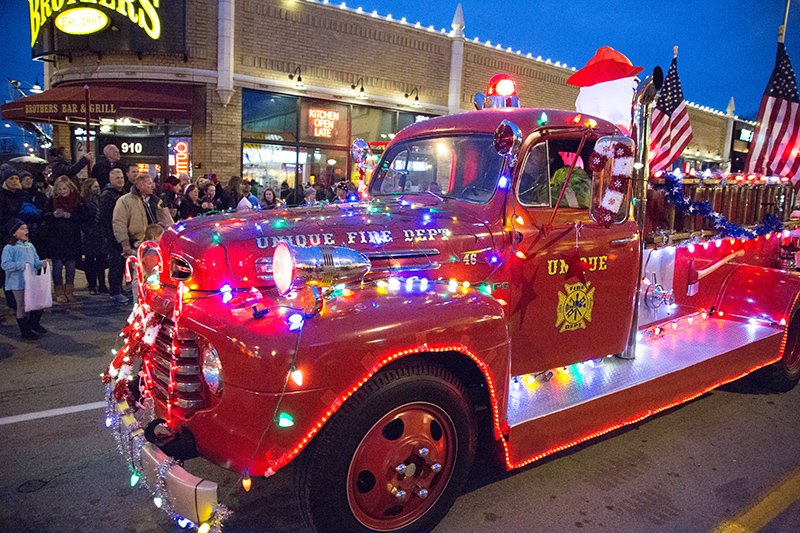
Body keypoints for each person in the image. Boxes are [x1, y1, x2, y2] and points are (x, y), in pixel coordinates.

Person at [2, 219, 47, 340]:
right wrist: (21, 265)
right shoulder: (9, 248)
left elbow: (34, 261)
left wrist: (40, 263)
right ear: (14, 233)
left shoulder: (30, 246)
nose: (26, 231)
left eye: (26, 228)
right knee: (21, 306)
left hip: (30, 281)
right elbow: (5, 265)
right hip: (17, 283)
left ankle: (34, 324)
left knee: (37, 304)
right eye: (21, 229)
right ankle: (25, 331)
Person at [112, 172, 174, 261]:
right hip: (136, 245)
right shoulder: (125, 201)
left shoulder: (156, 201)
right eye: (149, 183)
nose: (153, 186)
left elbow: (167, 220)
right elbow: (119, 223)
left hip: (155, 244)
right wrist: (125, 243)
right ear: (140, 186)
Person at [44, 176, 83, 303]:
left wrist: (70, 215)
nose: (63, 191)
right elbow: (44, 215)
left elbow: (84, 216)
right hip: (56, 238)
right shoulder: (52, 200)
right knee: (57, 265)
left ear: (70, 187)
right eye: (60, 188)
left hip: (72, 237)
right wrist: (54, 215)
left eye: (65, 188)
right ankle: (59, 292)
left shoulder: (78, 200)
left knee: (71, 265)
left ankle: (69, 291)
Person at [99, 168, 128, 304]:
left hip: (121, 234)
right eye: (117, 178)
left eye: (121, 178)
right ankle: (115, 291)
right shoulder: (107, 196)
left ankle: (119, 288)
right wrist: (113, 234)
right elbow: (106, 218)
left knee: (121, 263)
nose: (120, 180)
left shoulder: (123, 193)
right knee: (115, 263)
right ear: (111, 180)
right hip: (113, 236)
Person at [1, 165, 26, 313]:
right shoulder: (2, 196)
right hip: (6, 235)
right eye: (11, 178)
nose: (15, 181)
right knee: (7, 269)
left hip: (19, 234)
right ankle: (11, 301)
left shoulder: (20, 195)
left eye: (17, 178)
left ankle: (18, 300)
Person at [79, 178, 107, 295]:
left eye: (98, 186)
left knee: (101, 260)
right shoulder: (84, 202)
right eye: (94, 187)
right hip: (89, 235)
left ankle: (102, 285)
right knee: (90, 261)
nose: (97, 189)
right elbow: (82, 220)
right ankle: (91, 285)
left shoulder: (101, 200)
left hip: (100, 234)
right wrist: (88, 231)